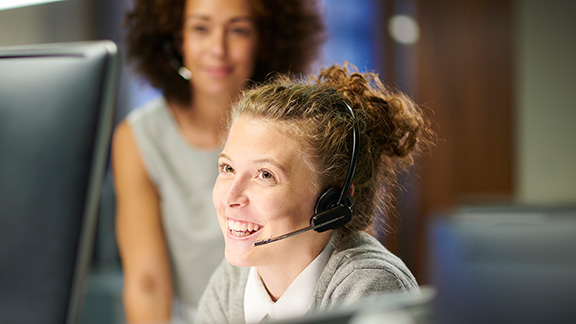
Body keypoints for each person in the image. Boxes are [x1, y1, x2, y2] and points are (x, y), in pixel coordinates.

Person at [112, 0, 325, 323]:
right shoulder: (139, 138)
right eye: (201, 28)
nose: (218, 48)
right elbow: (147, 284)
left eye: (238, 30)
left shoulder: (306, 130)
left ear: (264, 40)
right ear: (176, 38)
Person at [195, 63, 433, 324]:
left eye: (265, 175)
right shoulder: (232, 281)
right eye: (227, 168)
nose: (230, 197)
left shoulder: (369, 286)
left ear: (331, 202)